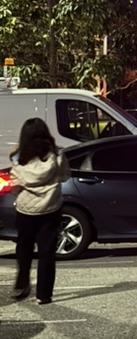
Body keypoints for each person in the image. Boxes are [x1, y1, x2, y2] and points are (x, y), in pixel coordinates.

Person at [10, 117, 71, 305]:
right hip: (51, 207)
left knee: (24, 247)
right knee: (47, 252)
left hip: (26, 208)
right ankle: (44, 295)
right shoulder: (57, 155)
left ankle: (22, 283)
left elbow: (15, 184)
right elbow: (65, 176)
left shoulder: (19, 157)